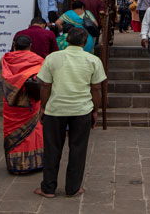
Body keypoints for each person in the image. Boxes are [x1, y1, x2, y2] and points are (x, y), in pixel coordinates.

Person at [34, 26, 106, 199]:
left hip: (56, 108)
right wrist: (96, 110)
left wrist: (44, 106)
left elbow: (45, 85)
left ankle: (48, 188)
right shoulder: (93, 60)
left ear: (67, 40)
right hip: (82, 110)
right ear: (85, 41)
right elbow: (96, 89)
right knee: (78, 149)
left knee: (52, 148)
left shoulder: (53, 58)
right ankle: (73, 188)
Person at [0, 35, 45, 175]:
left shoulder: (4, 61)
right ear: (30, 46)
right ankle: (35, 163)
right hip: (31, 104)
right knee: (34, 133)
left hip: (11, 104)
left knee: (12, 132)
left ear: (14, 45)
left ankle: (16, 165)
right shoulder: (38, 60)